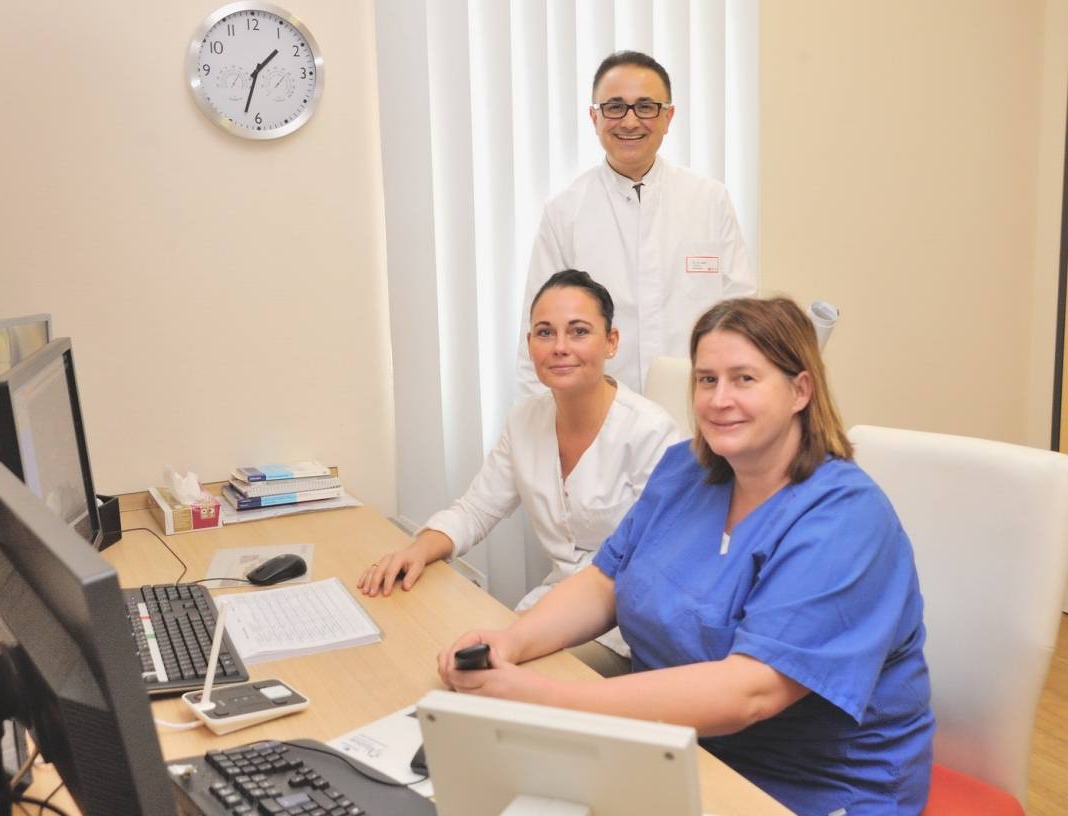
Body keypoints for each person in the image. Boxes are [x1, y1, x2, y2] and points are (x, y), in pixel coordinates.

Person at [443, 297, 935, 815]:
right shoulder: (687, 469)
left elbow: (749, 692)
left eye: (744, 379)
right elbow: (604, 581)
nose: (720, 399)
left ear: (799, 390)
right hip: (680, 748)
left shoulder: (843, 520)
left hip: (810, 784)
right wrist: (511, 640)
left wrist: (544, 700)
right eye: (706, 380)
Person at [359, 270, 680, 661]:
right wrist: (419, 549)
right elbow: (477, 509)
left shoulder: (652, 433)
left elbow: (651, 566)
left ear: (611, 342)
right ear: (530, 344)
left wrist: (532, 630)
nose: (560, 346)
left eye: (579, 331)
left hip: (623, 627)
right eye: (545, 333)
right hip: (550, 611)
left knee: (495, 678)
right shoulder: (525, 421)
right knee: (429, 646)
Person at [517, 50, 756, 396]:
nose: (630, 122)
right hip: (601, 417)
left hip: (697, 412)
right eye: (615, 107)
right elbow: (539, 334)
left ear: (668, 117)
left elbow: (743, 315)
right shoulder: (565, 212)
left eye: (646, 107)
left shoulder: (709, 199)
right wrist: (543, 435)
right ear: (594, 118)